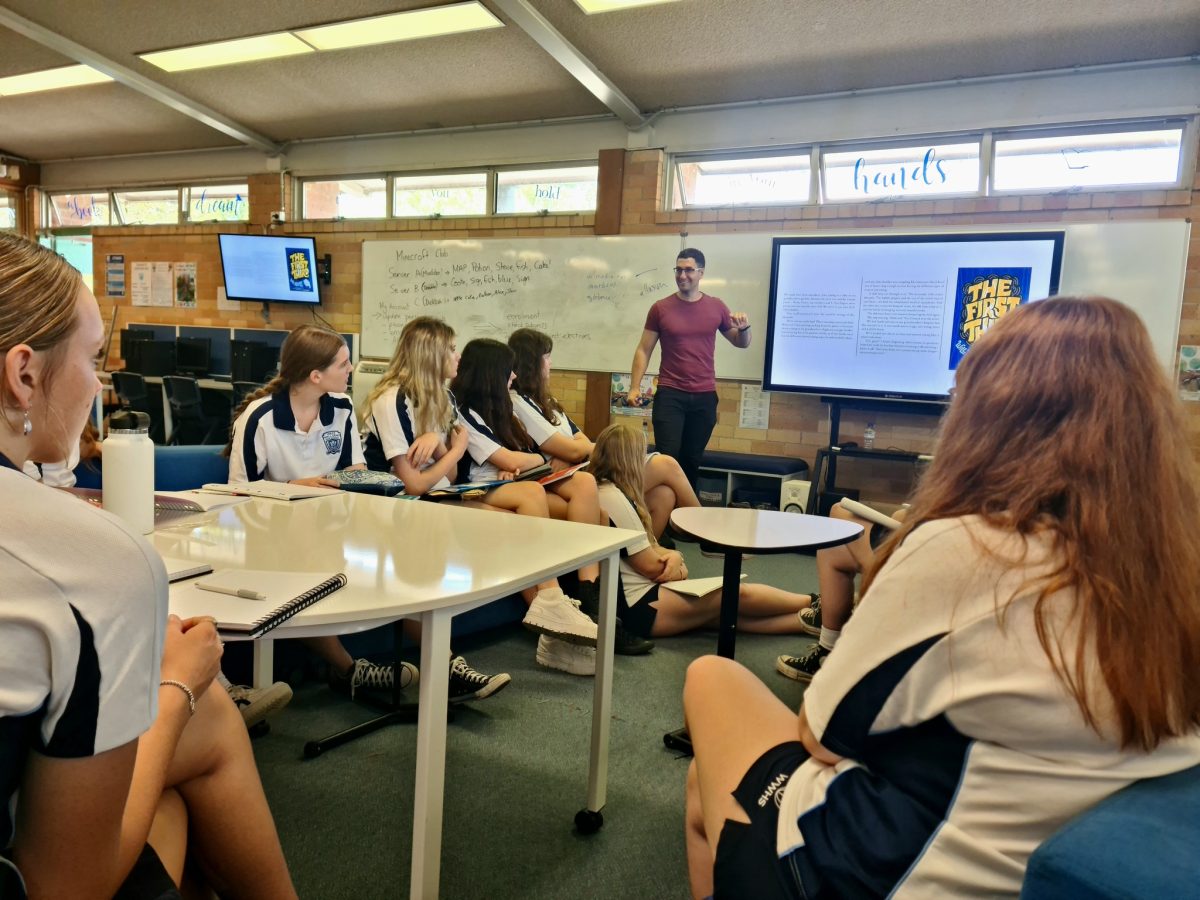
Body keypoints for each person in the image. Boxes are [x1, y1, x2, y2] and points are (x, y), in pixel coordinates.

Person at [683, 297, 1200, 899]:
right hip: (1061, 849)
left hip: (908, 866)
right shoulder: (1174, 568)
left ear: (989, 418)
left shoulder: (971, 545)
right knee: (708, 785)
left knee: (713, 679)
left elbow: (817, 734)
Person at [0, 233, 295, 898]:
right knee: (202, 721)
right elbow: (65, 886)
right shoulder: (96, 564)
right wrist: (179, 684)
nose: (100, 384)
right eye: (94, 358)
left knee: (177, 791)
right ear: (24, 375)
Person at [227, 324, 417, 701]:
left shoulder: (342, 408)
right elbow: (237, 495)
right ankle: (350, 671)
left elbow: (353, 470)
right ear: (316, 376)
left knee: (404, 550)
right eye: (344, 364)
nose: (352, 369)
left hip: (330, 524)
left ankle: (441, 661)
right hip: (271, 533)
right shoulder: (259, 418)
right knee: (306, 571)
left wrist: (342, 481)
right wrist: (299, 487)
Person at [354, 315, 513, 701]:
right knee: (443, 548)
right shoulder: (390, 398)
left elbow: (452, 472)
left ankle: (446, 663)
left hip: (431, 499)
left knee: (504, 522)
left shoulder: (442, 396)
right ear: (432, 355)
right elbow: (413, 482)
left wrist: (438, 440)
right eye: (452, 350)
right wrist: (455, 446)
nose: (458, 358)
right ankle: (446, 665)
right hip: (389, 507)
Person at [450, 337, 613, 672]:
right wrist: (533, 460)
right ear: (492, 375)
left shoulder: (501, 409)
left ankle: (587, 593)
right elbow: (508, 457)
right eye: (507, 372)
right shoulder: (463, 412)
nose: (513, 378)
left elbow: (514, 454)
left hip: (505, 483)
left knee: (595, 508)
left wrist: (523, 462)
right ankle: (550, 606)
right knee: (533, 496)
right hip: (478, 491)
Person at [589, 423, 814, 639]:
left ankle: (813, 620)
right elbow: (652, 568)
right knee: (735, 593)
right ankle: (814, 602)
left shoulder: (608, 491)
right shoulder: (613, 498)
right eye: (641, 456)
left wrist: (672, 556)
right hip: (640, 605)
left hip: (641, 600)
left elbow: (649, 548)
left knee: (730, 617)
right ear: (629, 461)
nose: (645, 463)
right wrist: (676, 559)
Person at [509, 326, 701, 540]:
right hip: (572, 477)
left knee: (664, 496)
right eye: (547, 357)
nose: (551, 363)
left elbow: (579, 439)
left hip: (582, 466)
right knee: (667, 465)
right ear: (531, 364)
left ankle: (636, 561)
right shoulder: (517, 401)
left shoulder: (547, 400)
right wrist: (575, 451)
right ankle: (705, 531)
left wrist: (575, 451)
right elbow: (571, 448)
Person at [627, 248, 751, 488]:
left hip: (704, 397)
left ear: (701, 273)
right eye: (678, 270)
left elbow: (740, 342)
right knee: (667, 460)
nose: (682, 275)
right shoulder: (660, 308)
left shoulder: (716, 307)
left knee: (691, 461)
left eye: (689, 270)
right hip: (671, 394)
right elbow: (644, 349)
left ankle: (684, 517)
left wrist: (745, 328)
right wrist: (634, 387)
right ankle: (661, 516)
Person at [775, 502, 908, 682]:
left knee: (839, 511)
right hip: (921, 543)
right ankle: (827, 647)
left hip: (922, 551)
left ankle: (874, 574)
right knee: (833, 550)